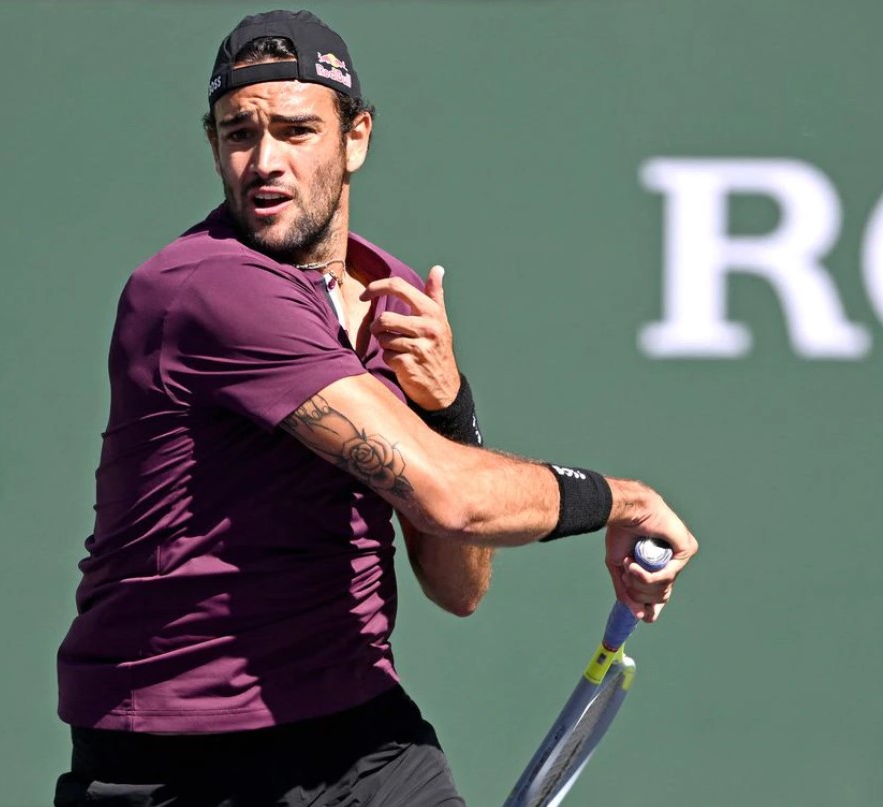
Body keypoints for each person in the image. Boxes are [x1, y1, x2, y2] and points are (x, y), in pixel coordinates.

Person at [54, 9, 698, 806]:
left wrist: (450, 406)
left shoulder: (391, 295)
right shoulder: (209, 290)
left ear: (355, 137)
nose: (264, 162)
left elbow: (458, 587)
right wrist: (621, 501)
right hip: (179, 760)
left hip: (359, 738)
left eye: (295, 131)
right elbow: (449, 496)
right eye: (239, 133)